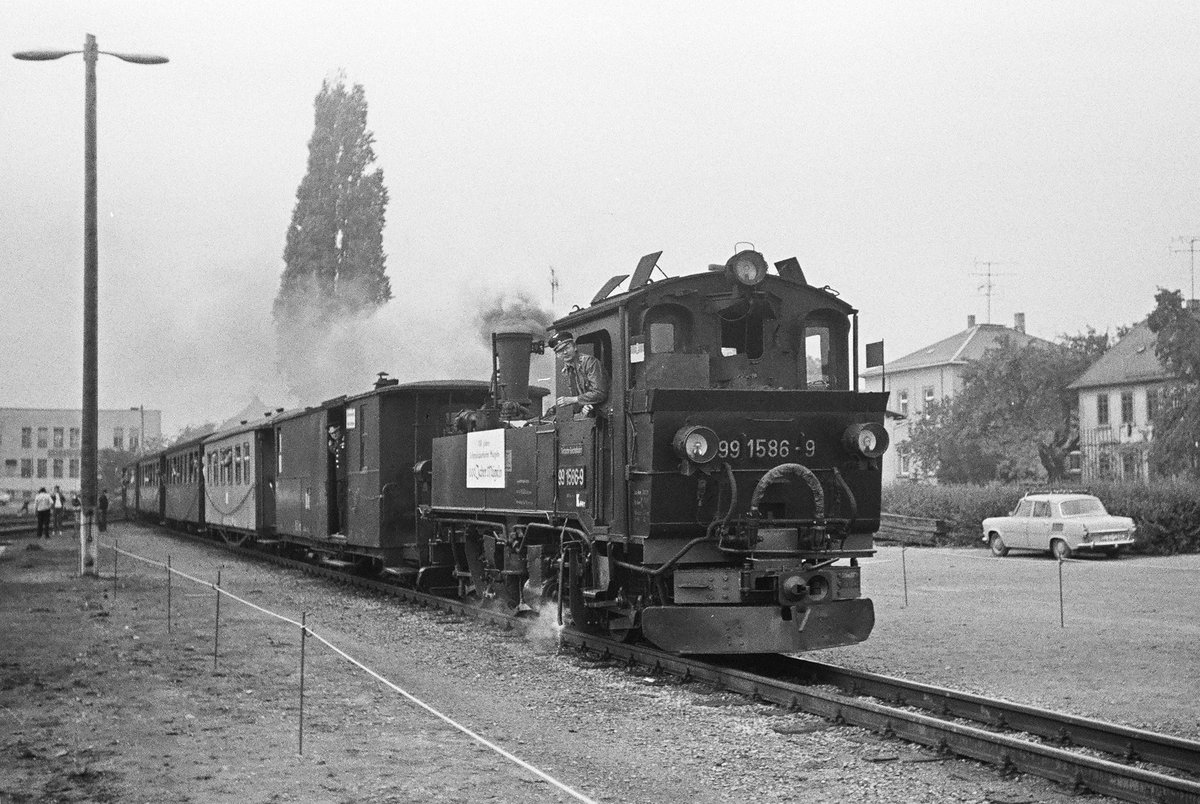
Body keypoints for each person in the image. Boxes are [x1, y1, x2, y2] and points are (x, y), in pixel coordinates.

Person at [548, 331, 609, 416]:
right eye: (560, 351)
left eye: (567, 348)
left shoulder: (589, 362)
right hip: (590, 412)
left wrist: (574, 400)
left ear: (575, 347)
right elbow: (576, 400)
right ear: (557, 355)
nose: (565, 352)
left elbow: (600, 392)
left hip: (606, 412)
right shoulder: (565, 372)